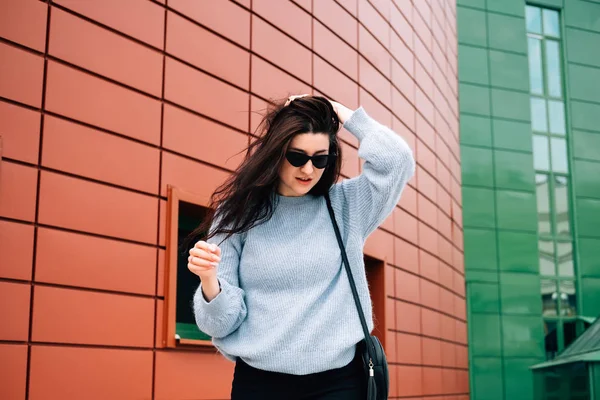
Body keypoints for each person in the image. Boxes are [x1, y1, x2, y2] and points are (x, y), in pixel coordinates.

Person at [187, 95, 415, 399]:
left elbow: (396, 159)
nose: (309, 169)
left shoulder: (346, 206)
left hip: (339, 383)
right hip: (261, 384)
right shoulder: (237, 215)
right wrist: (209, 281)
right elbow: (221, 324)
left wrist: (335, 110)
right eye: (297, 156)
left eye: (321, 159)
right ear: (276, 152)